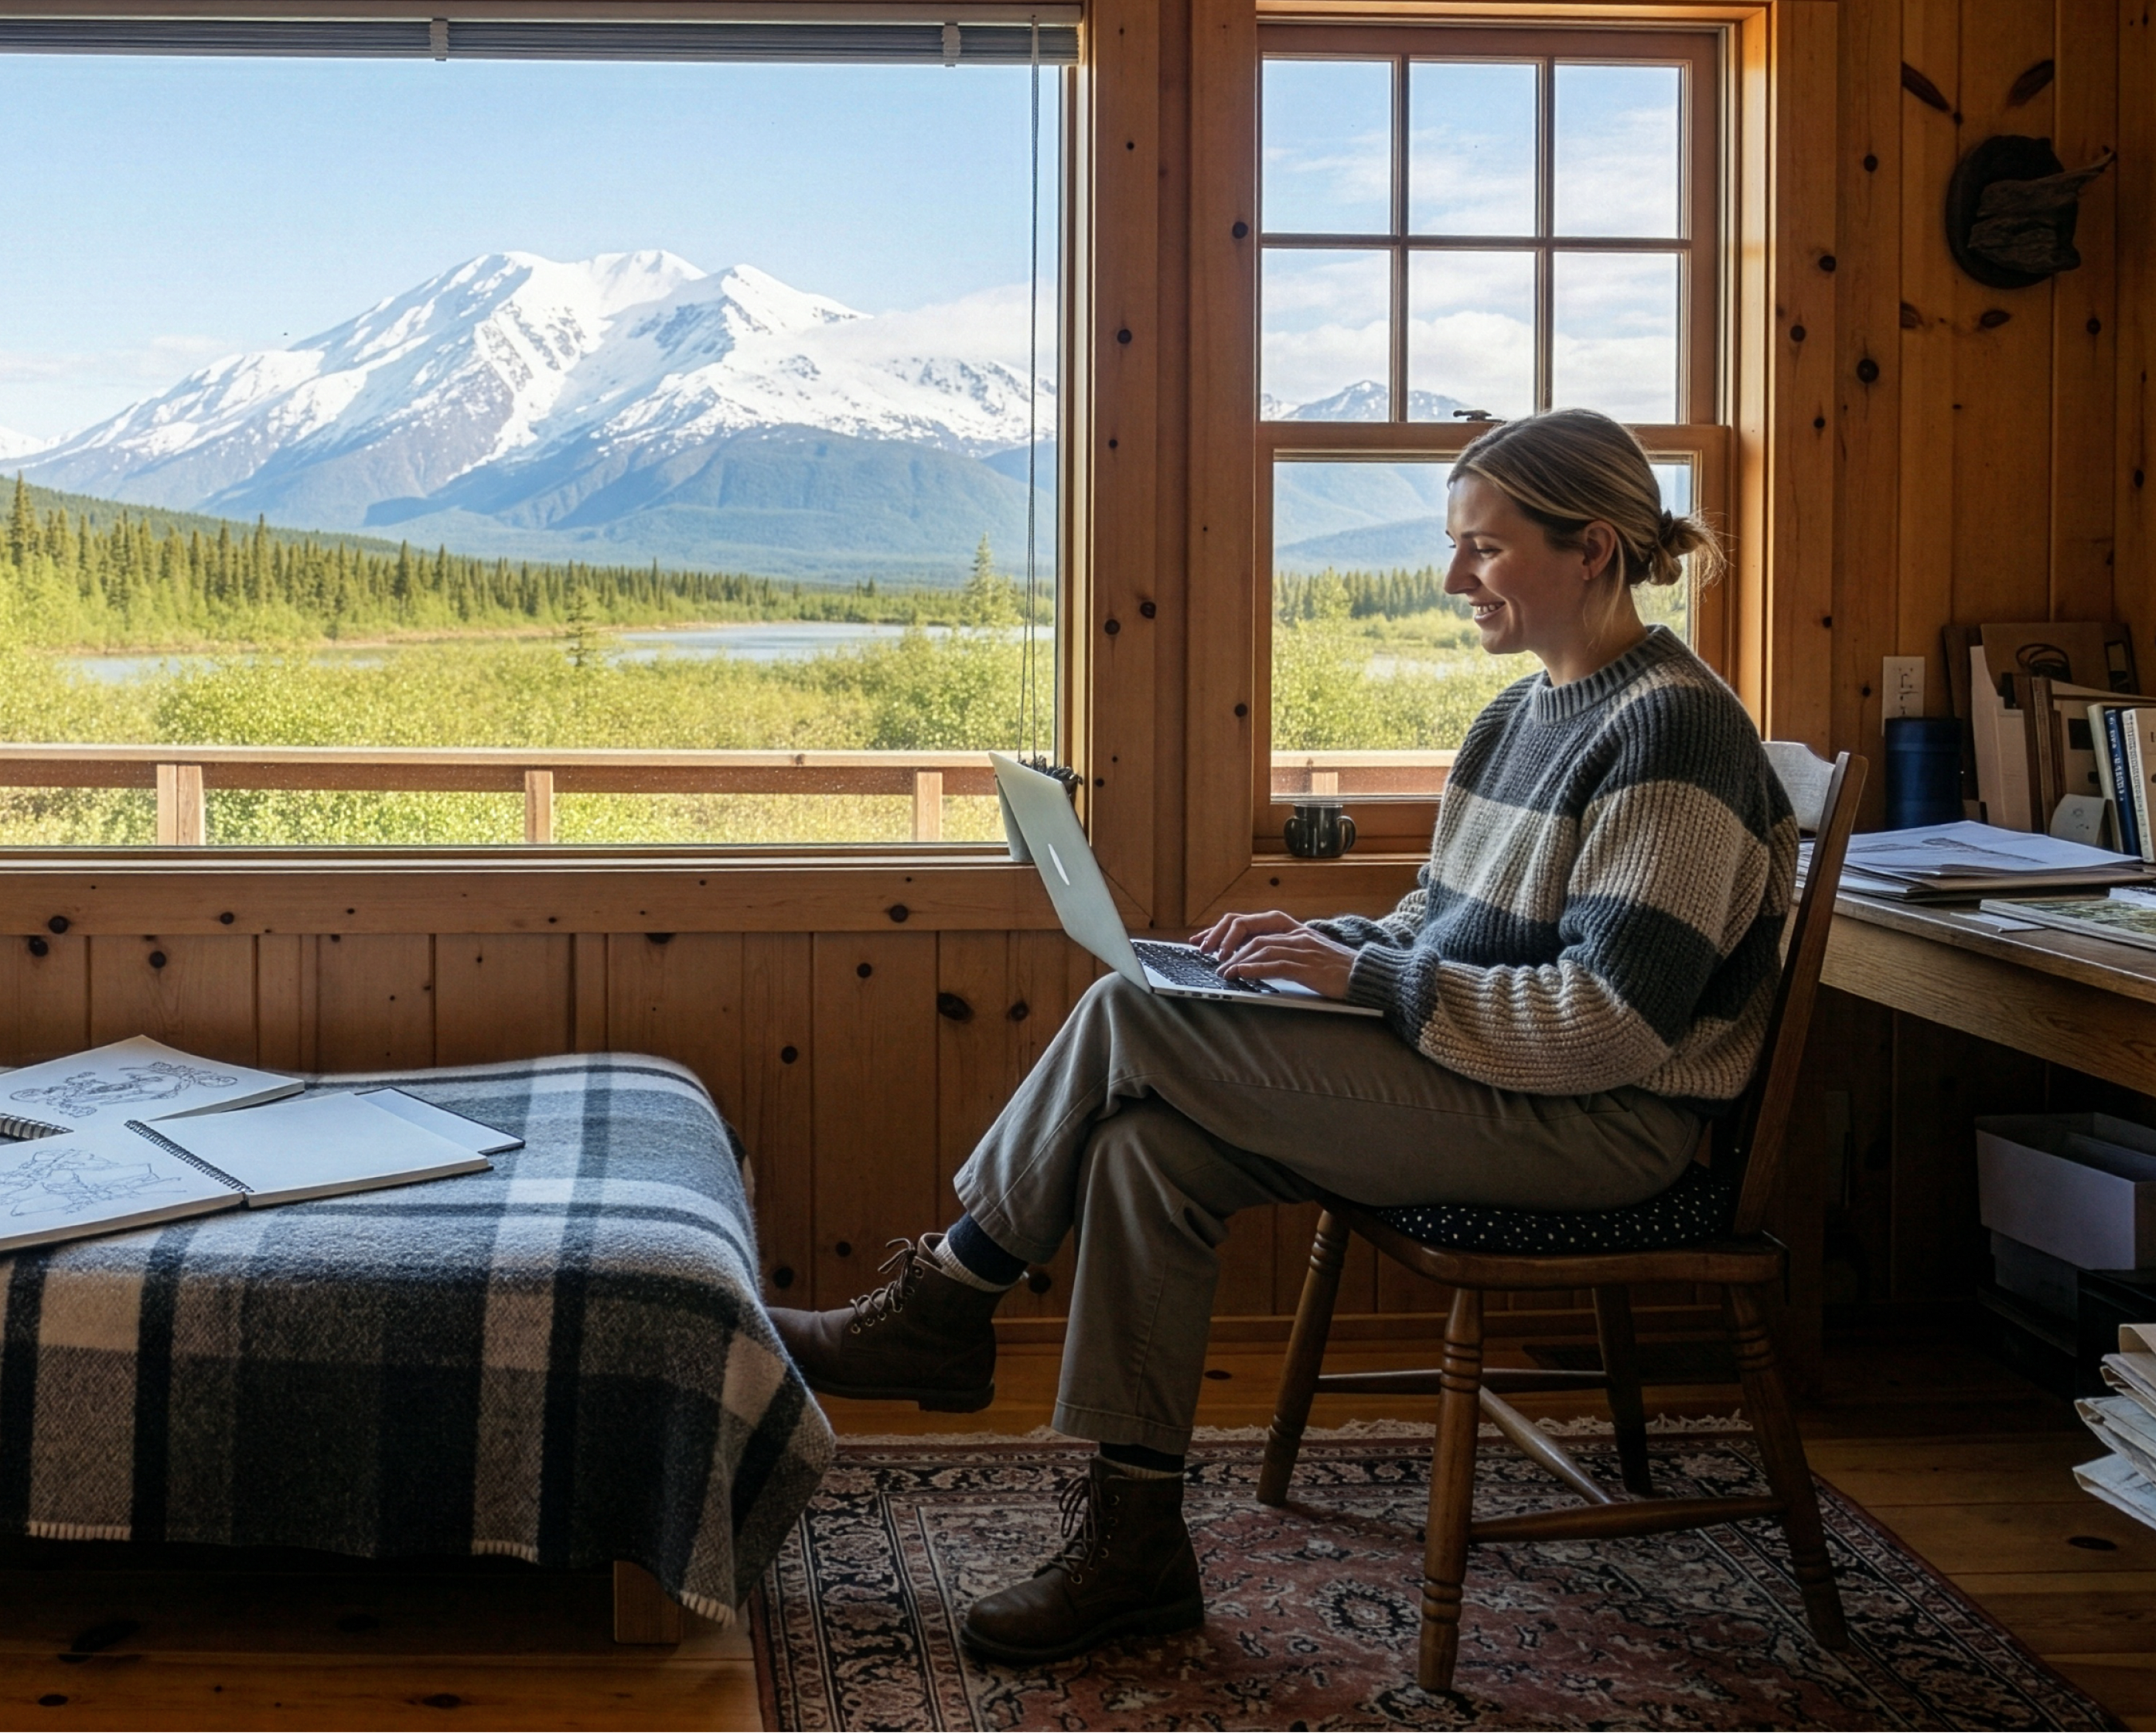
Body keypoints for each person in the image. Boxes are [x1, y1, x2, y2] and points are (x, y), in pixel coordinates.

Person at [766, 408, 1797, 1664]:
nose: (1451, 576)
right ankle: (1134, 1542)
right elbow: (1439, 925)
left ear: (1592, 549)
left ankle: (950, 1293)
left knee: (1130, 1012)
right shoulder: (1517, 717)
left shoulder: (1674, 728)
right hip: (1494, 1079)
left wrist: (1369, 986)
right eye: (1453, 545)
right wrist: (1322, 952)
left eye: (1483, 548)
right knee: (1147, 1148)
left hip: (1608, 1128)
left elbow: (1609, 1025)